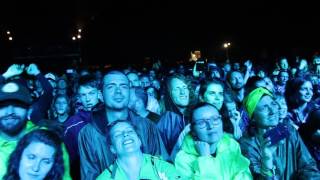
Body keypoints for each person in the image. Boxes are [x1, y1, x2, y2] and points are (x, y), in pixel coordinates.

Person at [78, 70, 167, 180]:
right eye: (111, 87)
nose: (118, 91)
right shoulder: (88, 134)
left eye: (124, 86)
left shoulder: (146, 126)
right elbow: (90, 175)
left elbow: (162, 167)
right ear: (101, 94)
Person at [240, 87, 320, 179]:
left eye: (273, 104)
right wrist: (267, 159)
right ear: (253, 118)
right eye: (264, 108)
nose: (272, 111)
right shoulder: (247, 144)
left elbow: (308, 165)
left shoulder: (288, 129)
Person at [0, 81, 71, 179]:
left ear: (29, 110)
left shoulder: (49, 140)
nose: (10, 112)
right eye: (3, 106)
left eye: (17, 105)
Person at [174, 103, 252, 179]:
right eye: (201, 123)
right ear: (193, 130)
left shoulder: (231, 145)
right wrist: (205, 159)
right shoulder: (182, 159)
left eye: (215, 119)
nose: (210, 126)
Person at [97, 120, 180, 179]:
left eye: (129, 131)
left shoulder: (163, 168)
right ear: (112, 148)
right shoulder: (105, 178)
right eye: (118, 134)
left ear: (139, 141)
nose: (125, 134)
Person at [63, 74, 103, 179]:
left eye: (91, 93)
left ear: (99, 93)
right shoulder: (71, 125)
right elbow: (69, 160)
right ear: (79, 97)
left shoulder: (111, 116)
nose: (88, 99)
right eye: (83, 95)